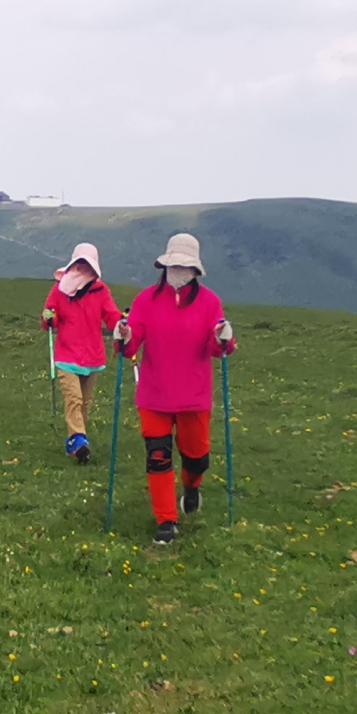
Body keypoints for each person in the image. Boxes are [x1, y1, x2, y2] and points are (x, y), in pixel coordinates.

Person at [116, 231, 232, 542]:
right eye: (174, 266)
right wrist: (123, 337)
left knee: (197, 457)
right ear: (164, 267)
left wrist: (224, 338)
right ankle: (166, 522)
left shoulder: (210, 303)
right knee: (158, 457)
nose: (179, 272)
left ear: (195, 271)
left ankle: (192, 487)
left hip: (194, 397)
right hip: (154, 396)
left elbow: (217, 347)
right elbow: (131, 346)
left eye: (185, 267)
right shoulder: (145, 301)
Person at [39, 242, 119, 463]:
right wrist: (49, 318)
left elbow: (111, 315)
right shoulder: (60, 289)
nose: (83, 269)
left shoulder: (102, 291)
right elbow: (50, 316)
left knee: (85, 401)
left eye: (87, 265)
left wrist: (122, 326)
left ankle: (77, 443)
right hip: (66, 355)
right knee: (74, 398)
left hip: (92, 357)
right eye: (80, 264)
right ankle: (79, 439)